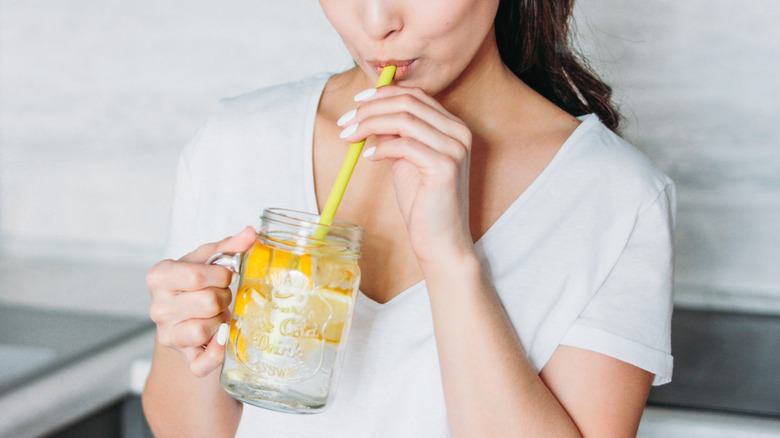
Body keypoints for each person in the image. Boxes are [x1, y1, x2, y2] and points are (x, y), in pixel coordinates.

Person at [142, 0, 675, 436]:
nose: (377, 23)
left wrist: (450, 259)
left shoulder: (615, 196)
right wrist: (187, 333)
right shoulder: (238, 139)